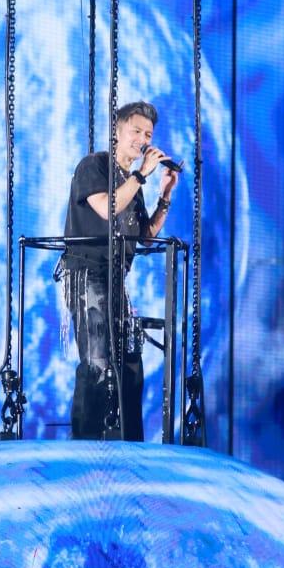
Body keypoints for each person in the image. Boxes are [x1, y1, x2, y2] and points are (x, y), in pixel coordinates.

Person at [59, 101, 180, 440]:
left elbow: (145, 235)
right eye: (136, 131)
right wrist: (142, 175)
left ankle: (131, 445)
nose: (143, 140)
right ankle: (85, 446)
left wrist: (164, 196)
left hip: (115, 280)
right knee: (97, 361)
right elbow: (107, 208)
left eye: (148, 134)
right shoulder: (94, 165)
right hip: (86, 273)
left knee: (130, 359)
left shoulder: (132, 183)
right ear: (116, 130)